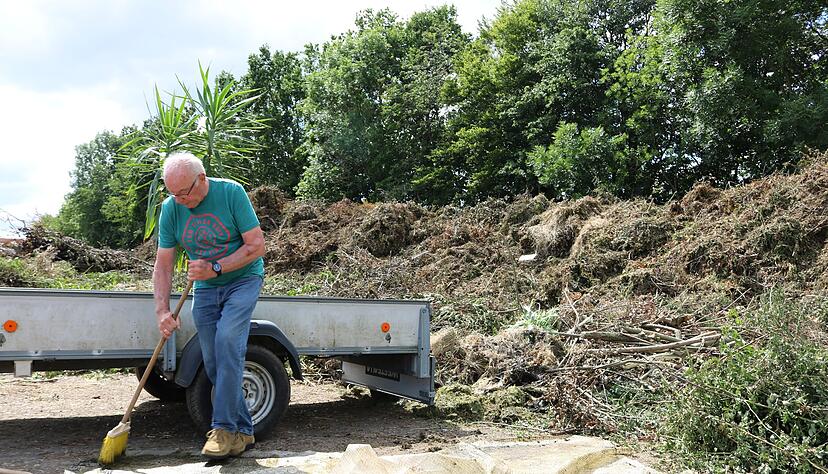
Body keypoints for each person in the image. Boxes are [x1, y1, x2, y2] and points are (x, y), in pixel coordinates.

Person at [153, 152, 266, 459]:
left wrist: (215, 268)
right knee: (214, 361)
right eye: (172, 193)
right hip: (204, 288)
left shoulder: (231, 193)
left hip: (243, 280)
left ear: (201, 179)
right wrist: (162, 310)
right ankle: (245, 432)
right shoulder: (171, 208)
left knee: (228, 342)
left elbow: (257, 246)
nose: (178, 200)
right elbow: (163, 265)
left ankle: (223, 429)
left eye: (184, 193)